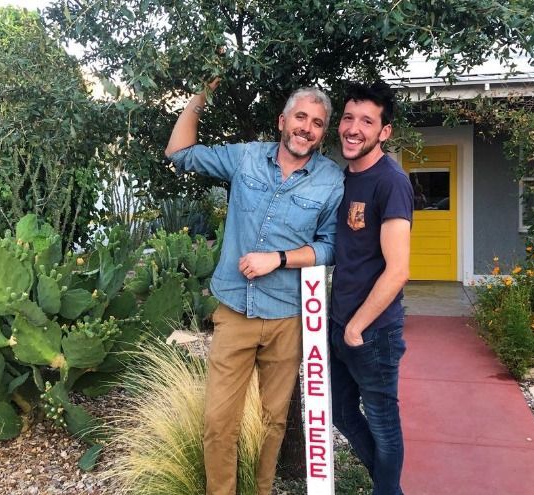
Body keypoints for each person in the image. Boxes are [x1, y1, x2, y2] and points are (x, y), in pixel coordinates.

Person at [164, 81, 344, 495]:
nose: (307, 128)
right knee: (218, 421)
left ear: (322, 133)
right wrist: (197, 98)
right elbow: (179, 153)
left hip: (287, 317)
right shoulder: (245, 158)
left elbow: (331, 246)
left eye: (317, 123)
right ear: (283, 121)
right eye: (301, 117)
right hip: (235, 313)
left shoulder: (330, 180)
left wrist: (278, 258)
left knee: (273, 421)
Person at [329, 81, 413, 495]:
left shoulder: (390, 181)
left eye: (367, 120)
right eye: (348, 117)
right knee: (341, 412)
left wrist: (355, 327)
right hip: (340, 322)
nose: (354, 128)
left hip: (372, 331)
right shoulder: (343, 178)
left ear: (384, 132)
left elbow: (398, 271)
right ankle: (386, 487)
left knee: (382, 420)